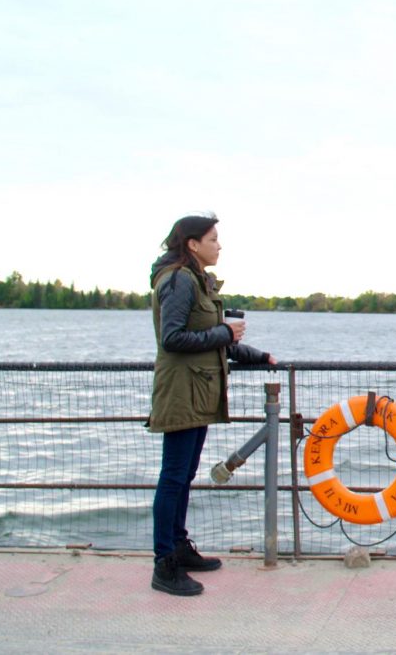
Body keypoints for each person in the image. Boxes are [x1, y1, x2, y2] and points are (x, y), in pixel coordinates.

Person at [147, 213, 276, 596]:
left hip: (198, 389)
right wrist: (223, 331)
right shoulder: (178, 280)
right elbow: (172, 338)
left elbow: (214, 338)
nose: (219, 245)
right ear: (192, 243)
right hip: (181, 390)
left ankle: (179, 547)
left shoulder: (196, 280)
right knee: (173, 476)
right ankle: (164, 564)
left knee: (183, 474)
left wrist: (255, 354)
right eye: (213, 238)